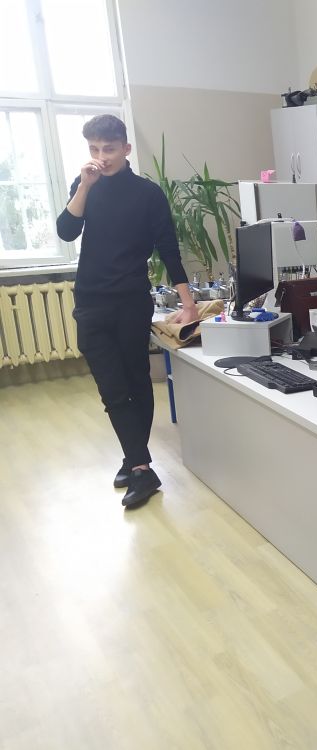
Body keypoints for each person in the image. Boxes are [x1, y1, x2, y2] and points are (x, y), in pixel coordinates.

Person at [56, 114, 198, 509]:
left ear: (126, 149)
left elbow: (168, 249)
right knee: (111, 387)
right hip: (90, 302)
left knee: (136, 380)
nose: (101, 157)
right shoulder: (85, 185)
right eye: (94, 149)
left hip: (131, 302)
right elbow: (66, 231)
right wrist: (85, 185)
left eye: (109, 149)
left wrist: (188, 303)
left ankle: (135, 462)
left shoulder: (147, 194)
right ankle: (139, 463)